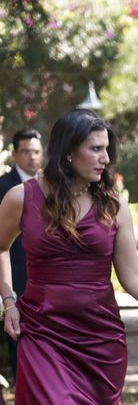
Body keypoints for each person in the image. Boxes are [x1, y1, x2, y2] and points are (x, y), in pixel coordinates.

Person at [0, 109, 138, 404]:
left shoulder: (115, 206)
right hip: (43, 333)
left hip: (100, 341)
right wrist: (8, 301)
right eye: (96, 149)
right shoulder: (21, 197)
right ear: (68, 153)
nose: (105, 158)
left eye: (107, 150)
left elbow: (133, 278)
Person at [0, 129, 43, 377]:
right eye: (25, 151)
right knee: (18, 342)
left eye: (36, 151)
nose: (32, 157)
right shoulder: (3, 186)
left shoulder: (54, 187)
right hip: (12, 276)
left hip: (45, 279)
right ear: (14, 154)